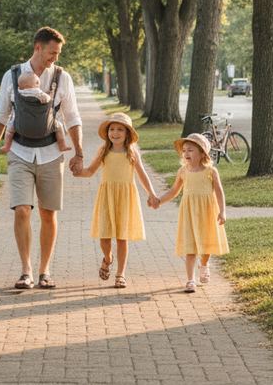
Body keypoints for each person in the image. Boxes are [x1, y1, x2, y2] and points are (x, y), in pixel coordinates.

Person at [0, 27, 83, 290]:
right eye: (52, 52)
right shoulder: (13, 75)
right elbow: (0, 114)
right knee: (21, 210)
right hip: (19, 152)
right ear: (38, 47)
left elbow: (73, 118)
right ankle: (26, 270)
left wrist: (79, 152)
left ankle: (45, 271)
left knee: (48, 213)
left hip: (52, 153)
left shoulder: (63, 77)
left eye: (58, 53)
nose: (55, 58)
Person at [75, 111, 159, 288]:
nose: (115, 133)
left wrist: (152, 193)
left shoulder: (132, 152)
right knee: (104, 237)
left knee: (122, 237)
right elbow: (90, 171)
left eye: (120, 129)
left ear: (127, 133)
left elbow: (142, 175)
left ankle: (120, 273)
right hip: (107, 196)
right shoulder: (103, 150)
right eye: (112, 129)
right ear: (107, 133)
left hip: (126, 197)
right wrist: (78, 172)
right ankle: (108, 258)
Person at [156, 133, 228, 293]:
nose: (186, 153)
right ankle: (190, 280)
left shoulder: (210, 171)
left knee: (206, 241)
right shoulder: (183, 171)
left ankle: (204, 264)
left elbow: (219, 191)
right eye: (184, 150)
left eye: (191, 150)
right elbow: (174, 191)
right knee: (191, 246)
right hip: (189, 212)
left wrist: (222, 211)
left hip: (207, 211)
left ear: (202, 153)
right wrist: (159, 200)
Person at [0, 70, 69, 154]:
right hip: (44, 128)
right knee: (59, 126)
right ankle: (62, 145)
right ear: (36, 83)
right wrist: (47, 98)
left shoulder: (18, 93)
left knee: (9, 130)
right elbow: (48, 99)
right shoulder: (38, 92)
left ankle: (6, 146)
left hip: (21, 127)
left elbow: (13, 101)